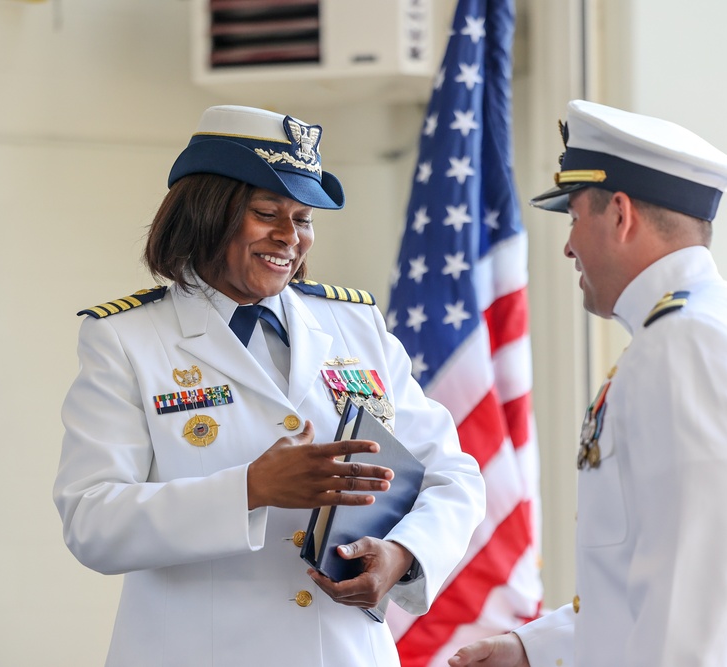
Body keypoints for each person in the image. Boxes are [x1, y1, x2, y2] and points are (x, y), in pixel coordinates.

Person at [52, 104, 486, 666]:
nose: (290, 237)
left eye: (303, 219)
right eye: (266, 213)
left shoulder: (353, 323)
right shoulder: (126, 338)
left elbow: (453, 473)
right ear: (206, 214)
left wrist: (403, 552)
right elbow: (93, 520)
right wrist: (251, 488)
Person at [449, 100, 727, 666]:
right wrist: (533, 649)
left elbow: (693, 594)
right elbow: (659, 573)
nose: (568, 245)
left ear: (621, 214)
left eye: (575, 216)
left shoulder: (684, 345)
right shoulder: (723, 324)